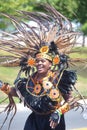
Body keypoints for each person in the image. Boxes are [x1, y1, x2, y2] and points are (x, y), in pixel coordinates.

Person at [0, 4, 86, 130]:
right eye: (37, 61)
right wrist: (3, 86)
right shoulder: (31, 80)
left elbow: (70, 101)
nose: (39, 63)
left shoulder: (60, 78)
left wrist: (59, 112)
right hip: (34, 121)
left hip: (53, 122)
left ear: (51, 63)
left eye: (43, 61)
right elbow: (18, 93)